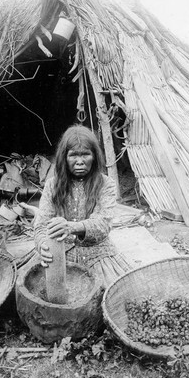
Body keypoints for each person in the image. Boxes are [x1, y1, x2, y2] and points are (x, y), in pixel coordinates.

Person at [33, 124, 134, 289]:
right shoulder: (52, 185)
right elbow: (42, 224)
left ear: (94, 157)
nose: (79, 162)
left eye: (86, 154)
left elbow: (103, 223)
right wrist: (43, 245)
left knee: (114, 295)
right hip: (58, 252)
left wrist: (72, 227)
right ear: (64, 158)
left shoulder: (106, 184)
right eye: (73, 155)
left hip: (96, 254)